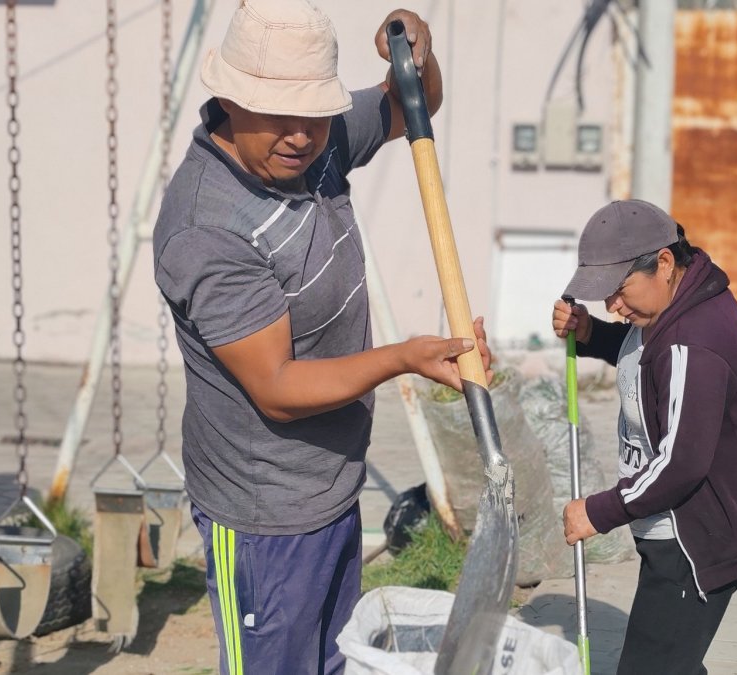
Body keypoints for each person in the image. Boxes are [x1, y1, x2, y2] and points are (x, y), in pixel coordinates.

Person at [152, 2, 491, 673]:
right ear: (228, 99)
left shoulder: (316, 139)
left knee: (333, 663)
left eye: (313, 114)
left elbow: (414, 104)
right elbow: (276, 387)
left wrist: (414, 56)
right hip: (263, 517)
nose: (301, 135)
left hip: (333, 489)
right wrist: (405, 357)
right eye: (281, 115)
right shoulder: (208, 227)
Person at [552, 200, 737, 675]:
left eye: (619, 291)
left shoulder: (695, 339)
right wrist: (591, 335)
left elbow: (681, 463)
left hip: (699, 537)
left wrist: (597, 512)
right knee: (673, 663)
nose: (613, 306)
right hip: (673, 520)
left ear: (664, 263)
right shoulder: (673, 304)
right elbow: (647, 361)